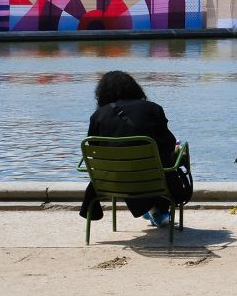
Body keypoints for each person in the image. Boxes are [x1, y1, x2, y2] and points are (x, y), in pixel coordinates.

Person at [79, 70, 191, 228]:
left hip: (113, 181)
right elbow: (168, 143)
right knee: (171, 158)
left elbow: (95, 149)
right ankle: (156, 208)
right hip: (152, 179)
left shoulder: (98, 116)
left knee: (125, 166)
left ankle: (151, 208)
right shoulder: (153, 109)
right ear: (134, 88)